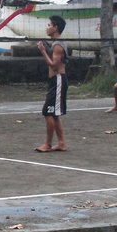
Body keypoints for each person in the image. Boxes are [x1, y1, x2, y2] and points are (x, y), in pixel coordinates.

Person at [35, 15, 68, 153]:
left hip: (58, 80)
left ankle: (48, 144)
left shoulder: (58, 45)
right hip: (55, 81)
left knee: (47, 112)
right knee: (54, 114)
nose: (47, 27)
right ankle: (61, 143)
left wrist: (42, 51)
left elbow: (54, 66)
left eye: (49, 25)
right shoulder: (55, 43)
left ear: (56, 28)